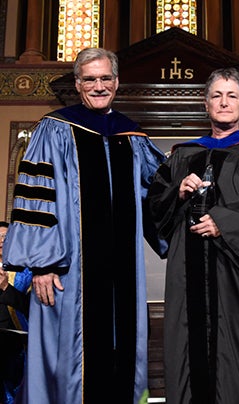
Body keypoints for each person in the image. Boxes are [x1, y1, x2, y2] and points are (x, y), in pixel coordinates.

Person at [2, 47, 167, 404]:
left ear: (117, 82)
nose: (98, 86)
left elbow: (158, 193)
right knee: (69, 361)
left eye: (105, 78)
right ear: (77, 84)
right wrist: (42, 264)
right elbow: (35, 199)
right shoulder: (54, 129)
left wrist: (187, 189)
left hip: (122, 277)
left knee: (121, 354)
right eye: (90, 79)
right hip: (67, 274)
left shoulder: (131, 138)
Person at [147, 67, 239, 403]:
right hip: (187, 270)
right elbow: (153, 206)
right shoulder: (183, 154)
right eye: (216, 96)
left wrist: (225, 221)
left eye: (232, 96)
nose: (224, 103)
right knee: (190, 351)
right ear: (206, 104)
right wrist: (178, 191)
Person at [0, 221, 31, 404]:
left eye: (5, 237)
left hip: (14, 347)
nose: (1, 241)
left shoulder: (25, 272)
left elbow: (29, 308)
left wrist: (5, 287)